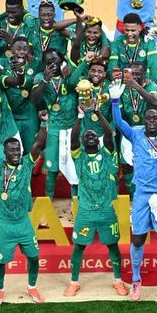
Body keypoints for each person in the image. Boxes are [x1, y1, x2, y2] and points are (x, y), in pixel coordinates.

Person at [110, 77, 157, 301]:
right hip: (142, 194)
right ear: (144, 120)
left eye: (155, 118)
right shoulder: (136, 133)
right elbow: (119, 123)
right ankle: (136, 280)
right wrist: (115, 101)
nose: (152, 121)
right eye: (148, 118)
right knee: (137, 239)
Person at [64, 105, 128, 297]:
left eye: (93, 135)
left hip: (106, 210)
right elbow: (73, 138)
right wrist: (80, 116)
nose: (90, 136)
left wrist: (98, 112)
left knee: (113, 245)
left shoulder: (107, 154)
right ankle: (74, 282)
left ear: (98, 141)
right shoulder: (79, 157)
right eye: (87, 136)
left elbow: (108, 134)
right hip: (85, 211)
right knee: (79, 246)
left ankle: (118, 280)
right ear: (83, 142)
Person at [0, 115, 48, 306]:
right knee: (0, 261)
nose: (15, 152)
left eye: (17, 149)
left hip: (23, 223)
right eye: (11, 150)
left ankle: (32, 287)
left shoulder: (26, 164)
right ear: (4, 152)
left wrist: (44, 123)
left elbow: (38, 144)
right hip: (4, 224)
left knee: (34, 257)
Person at [30, 48, 82, 198]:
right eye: (48, 62)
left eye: (54, 60)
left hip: (72, 128)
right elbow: (34, 99)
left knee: (73, 168)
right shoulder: (40, 77)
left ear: (61, 60)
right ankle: (48, 202)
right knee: (52, 169)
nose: (52, 64)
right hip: (53, 128)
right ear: (44, 64)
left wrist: (70, 71)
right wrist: (45, 80)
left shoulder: (69, 73)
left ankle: (76, 203)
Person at [117, 62, 157, 197]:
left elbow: (154, 101)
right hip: (129, 131)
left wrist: (136, 86)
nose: (134, 77)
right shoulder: (123, 88)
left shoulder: (151, 86)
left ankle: (148, 193)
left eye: (137, 74)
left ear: (144, 74)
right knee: (127, 165)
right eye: (132, 74)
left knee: (147, 164)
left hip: (146, 132)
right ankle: (134, 196)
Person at [2, 37, 40, 153]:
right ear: (11, 50)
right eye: (18, 49)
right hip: (10, 117)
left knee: (30, 151)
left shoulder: (36, 65)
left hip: (29, 115)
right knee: (12, 152)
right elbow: (15, 81)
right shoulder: (2, 64)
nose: (22, 52)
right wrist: (20, 73)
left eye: (25, 49)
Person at [108, 13, 157, 84]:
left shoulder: (148, 42)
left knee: (152, 89)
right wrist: (116, 78)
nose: (129, 34)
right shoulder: (116, 43)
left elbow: (153, 66)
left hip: (143, 81)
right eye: (127, 30)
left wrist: (149, 82)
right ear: (124, 28)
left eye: (133, 30)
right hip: (123, 81)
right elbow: (112, 66)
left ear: (140, 28)